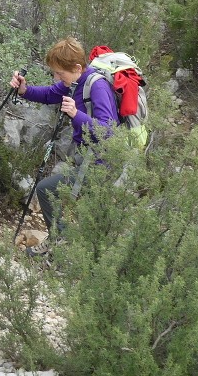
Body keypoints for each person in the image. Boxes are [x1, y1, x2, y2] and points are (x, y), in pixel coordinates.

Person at [10, 37, 118, 254]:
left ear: (78, 67)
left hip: (101, 162)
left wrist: (76, 114)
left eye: (60, 73)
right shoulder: (74, 82)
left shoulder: (97, 86)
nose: (57, 78)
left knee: (47, 189)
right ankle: (67, 248)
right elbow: (50, 94)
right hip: (86, 158)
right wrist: (24, 90)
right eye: (55, 73)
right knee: (88, 210)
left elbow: (108, 132)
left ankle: (61, 248)